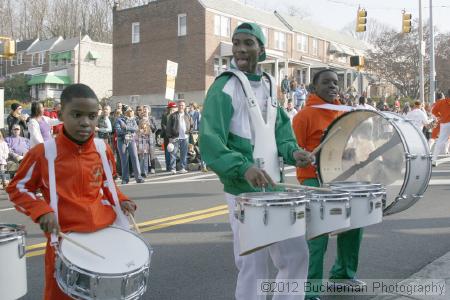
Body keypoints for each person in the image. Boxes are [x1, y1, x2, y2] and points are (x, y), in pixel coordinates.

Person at [199, 22, 312, 300]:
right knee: (253, 265)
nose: (240, 49)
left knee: (296, 255)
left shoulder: (269, 85)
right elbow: (210, 141)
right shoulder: (224, 87)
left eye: (248, 43)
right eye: (236, 43)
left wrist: (293, 152)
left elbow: (280, 132)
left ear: (261, 49)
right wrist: (243, 167)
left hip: (275, 190)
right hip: (243, 192)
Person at [6, 84, 137, 300]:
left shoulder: (102, 149)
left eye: (92, 116)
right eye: (77, 115)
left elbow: (107, 183)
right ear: (60, 115)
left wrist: (122, 200)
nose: (85, 122)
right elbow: (18, 188)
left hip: (103, 234)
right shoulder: (43, 153)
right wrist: (41, 211)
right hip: (65, 242)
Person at [293, 69, 366, 300]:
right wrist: (305, 156)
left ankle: (342, 276)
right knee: (319, 233)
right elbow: (293, 149)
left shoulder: (343, 113)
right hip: (313, 178)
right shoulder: (304, 115)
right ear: (314, 88)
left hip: (341, 176)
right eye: (326, 82)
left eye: (335, 82)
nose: (333, 86)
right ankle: (310, 289)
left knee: (356, 222)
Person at [115, 107, 145, 184]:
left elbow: (136, 128)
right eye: (130, 110)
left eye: (131, 110)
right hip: (122, 141)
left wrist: (125, 127)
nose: (132, 112)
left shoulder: (133, 119)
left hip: (131, 140)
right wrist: (129, 130)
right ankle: (125, 179)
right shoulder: (119, 120)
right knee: (124, 159)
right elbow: (118, 131)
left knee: (135, 157)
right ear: (126, 112)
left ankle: (138, 177)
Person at [166, 100, 193, 174]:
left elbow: (192, 125)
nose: (181, 107)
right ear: (177, 106)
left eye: (182, 105)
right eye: (180, 105)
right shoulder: (173, 115)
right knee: (173, 153)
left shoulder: (188, 115)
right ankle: (173, 169)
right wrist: (170, 137)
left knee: (184, 154)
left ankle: (182, 168)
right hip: (175, 137)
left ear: (184, 107)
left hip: (185, 137)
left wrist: (189, 132)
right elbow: (168, 127)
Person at [431, 90, 450, 166]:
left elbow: (434, 111)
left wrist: (440, 116)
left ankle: (434, 159)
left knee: (440, 141)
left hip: (444, 123)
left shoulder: (441, 102)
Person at [161, 102, 177, 171]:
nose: (173, 109)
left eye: (174, 108)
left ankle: (174, 165)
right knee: (168, 151)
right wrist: (168, 132)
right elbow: (163, 125)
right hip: (167, 136)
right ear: (169, 109)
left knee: (175, 151)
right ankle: (168, 166)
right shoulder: (165, 115)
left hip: (175, 135)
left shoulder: (177, 115)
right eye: (172, 108)